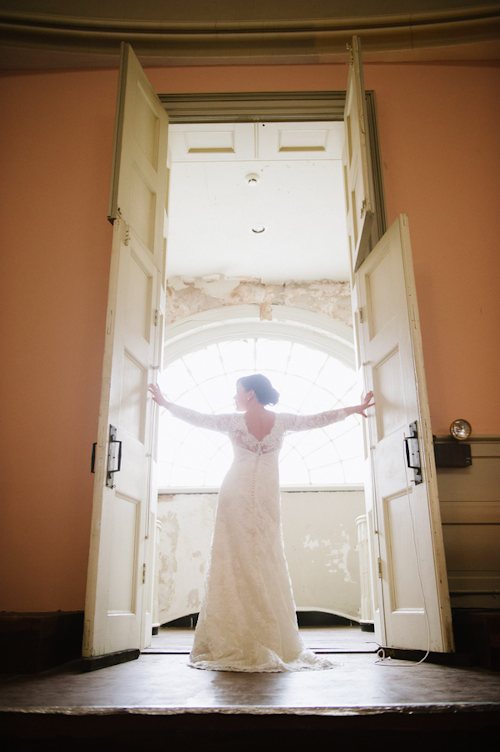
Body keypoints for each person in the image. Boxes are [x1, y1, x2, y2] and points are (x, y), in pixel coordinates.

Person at [148, 375, 374, 673]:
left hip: (238, 490)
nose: (234, 396)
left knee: (240, 558)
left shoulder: (233, 421)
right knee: (260, 556)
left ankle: (249, 631)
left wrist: (166, 403)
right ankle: (257, 630)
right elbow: (317, 419)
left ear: (250, 394)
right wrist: (352, 409)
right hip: (260, 492)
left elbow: (198, 418)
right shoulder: (280, 421)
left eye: (238, 391)